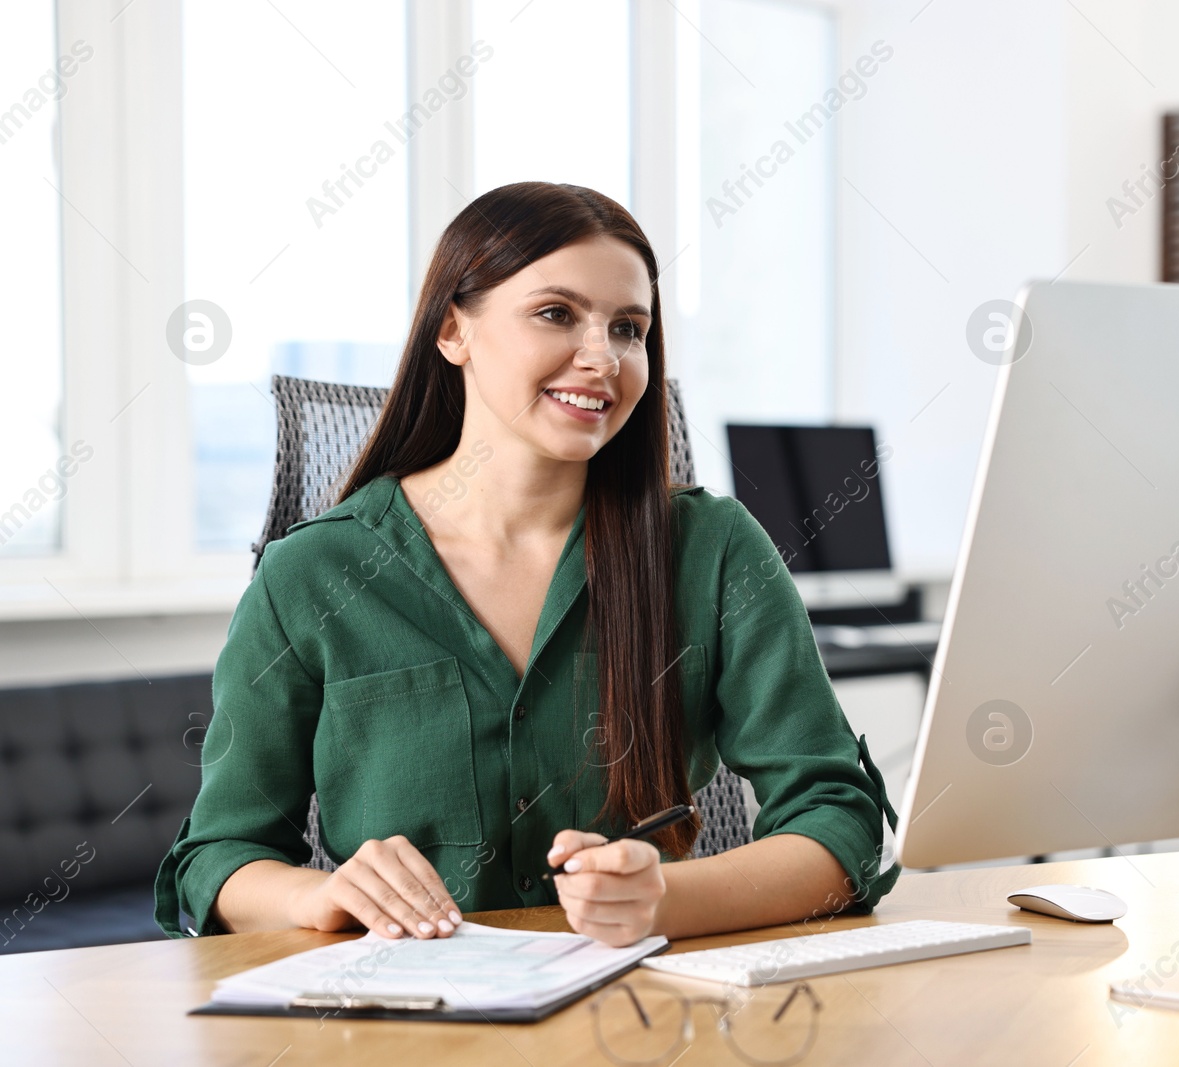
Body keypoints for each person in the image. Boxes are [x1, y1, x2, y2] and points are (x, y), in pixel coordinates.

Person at [155, 182, 899, 947]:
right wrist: (321, 894)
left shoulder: (714, 550)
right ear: (453, 330)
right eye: (556, 314)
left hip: (646, 1019)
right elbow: (219, 856)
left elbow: (839, 822)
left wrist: (665, 897)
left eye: (628, 328)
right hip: (408, 1025)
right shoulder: (312, 573)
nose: (601, 357)